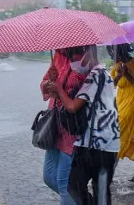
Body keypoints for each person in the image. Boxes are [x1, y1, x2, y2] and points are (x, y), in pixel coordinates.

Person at [47, 45, 120, 205]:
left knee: (95, 190)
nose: (73, 63)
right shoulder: (98, 73)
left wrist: (58, 87)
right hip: (94, 142)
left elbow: (72, 106)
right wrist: (56, 83)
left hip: (101, 144)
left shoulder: (97, 75)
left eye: (74, 58)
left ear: (87, 54)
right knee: (76, 185)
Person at [40, 48, 88, 205]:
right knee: (48, 177)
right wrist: (49, 82)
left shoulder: (83, 59)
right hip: (54, 124)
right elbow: (44, 83)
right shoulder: (58, 57)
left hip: (70, 126)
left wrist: (58, 87)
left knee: (62, 182)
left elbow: (80, 88)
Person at [110, 44, 134, 181]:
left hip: (131, 105)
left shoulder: (133, 63)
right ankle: (110, 171)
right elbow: (111, 84)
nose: (115, 55)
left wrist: (128, 74)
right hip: (119, 104)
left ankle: (110, 170)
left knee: (120, 137)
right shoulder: (116, 66)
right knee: (121, 136)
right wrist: (119, 74)